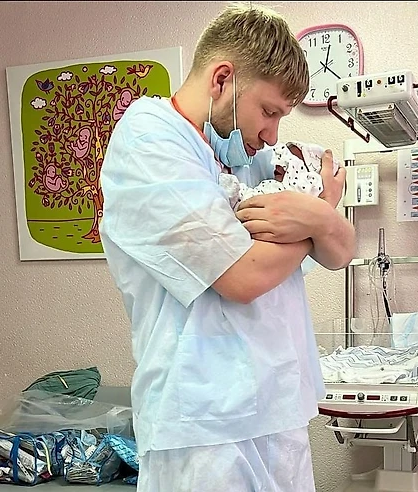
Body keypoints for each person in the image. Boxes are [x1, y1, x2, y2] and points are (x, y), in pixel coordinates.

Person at [98, 3, 356, 491]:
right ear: (222, 79)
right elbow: (243, 277)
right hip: (203, 424)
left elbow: (341, 252)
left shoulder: (245, 156)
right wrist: (320, 212)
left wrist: (319, 218)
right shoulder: (150, 141)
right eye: (269, 112)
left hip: (277, 407)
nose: (273, 133)